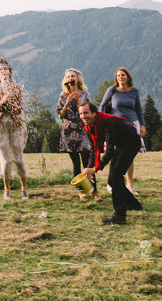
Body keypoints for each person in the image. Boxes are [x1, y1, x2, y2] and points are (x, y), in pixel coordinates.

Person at [79, 101, 142, 225]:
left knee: (116, 175)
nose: (83, 116)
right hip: (120, 145)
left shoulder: (107, 123)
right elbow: (94, 149)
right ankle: (134, 204)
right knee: (111, 181)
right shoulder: (88, 127)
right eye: (81, 114)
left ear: (94, 113)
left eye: (86, 113)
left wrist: (96, 169)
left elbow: (109, 151)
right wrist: (89, 168)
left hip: (131, 142)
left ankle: (120, 215)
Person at [99, 67, 146, 196]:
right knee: (114, 154)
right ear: (116, 78)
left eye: (123, 75)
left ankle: (130, 185)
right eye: (118, 75)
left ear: (128, 77)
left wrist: (142, 125)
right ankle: (111, 184)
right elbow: (102, 105)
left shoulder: (134, 91)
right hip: (116, 125)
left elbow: (138, 108)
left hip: (132, 124)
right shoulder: (112, 90)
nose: (121, 77)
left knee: (129, 156)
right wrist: (102, 120)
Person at [0, 58, 29, 200]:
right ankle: (7, 190)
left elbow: (19, 109)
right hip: (1, 124)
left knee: (18, 158)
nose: (4, 71)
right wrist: (3, 102)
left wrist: (9, 103)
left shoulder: (16, 87)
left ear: (10, 72)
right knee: (5, 159)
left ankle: (24, 189)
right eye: (1, 70)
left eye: (6, 69)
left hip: (14, 124)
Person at [56, 68, 98, 201]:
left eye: (72, 76)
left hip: (83, 129)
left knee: (87, 162)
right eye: (68, 77)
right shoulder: (63, 95)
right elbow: (60, 115)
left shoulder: (85, 94)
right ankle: (82, 192)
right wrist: (68, 102)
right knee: (76, 164)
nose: (70, 79)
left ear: (77, 79)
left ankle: (94, 191)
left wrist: (78, 101)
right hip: (69, 130)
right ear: (66, 80)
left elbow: (89, 109)